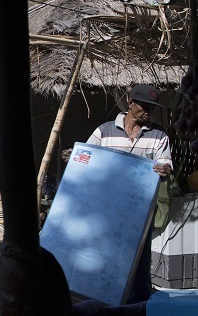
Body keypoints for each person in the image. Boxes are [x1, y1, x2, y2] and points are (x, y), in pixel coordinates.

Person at [63, 83, 173, 303]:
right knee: (103, 251)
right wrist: (75, 156)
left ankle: (139, 304)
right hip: (106, 209)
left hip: (139, 210)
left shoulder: (159, 136)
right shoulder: (104, 132)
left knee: (139, 256)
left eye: (152, 107)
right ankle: (100, 296)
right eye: (144, 105)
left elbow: (165, 164)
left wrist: (165, 169)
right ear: (130, 103)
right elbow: (88, 157)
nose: (149, 111)